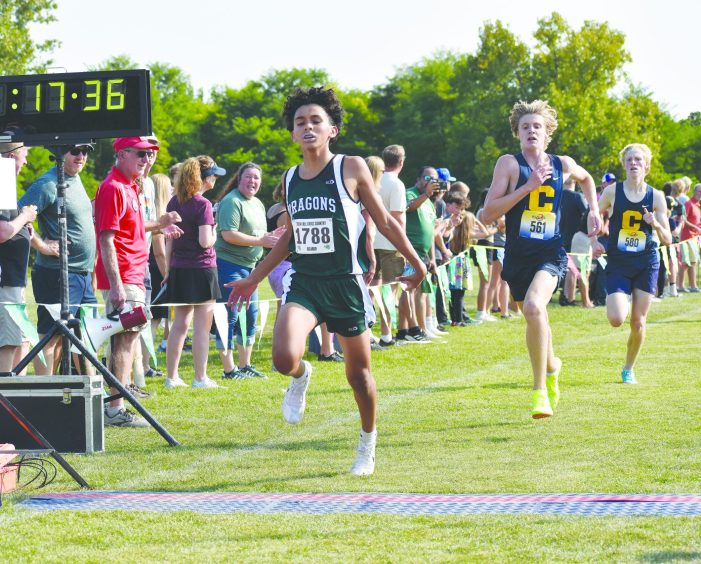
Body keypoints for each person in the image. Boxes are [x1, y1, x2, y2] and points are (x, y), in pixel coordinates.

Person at [227, 86, 426, 476]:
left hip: (346, 283)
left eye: (316, 121)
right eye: (300, 122)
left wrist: (417, 262)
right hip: (305, 282)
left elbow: (385, 220)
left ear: (332, 129)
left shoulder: (350, 167)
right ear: (292, 133)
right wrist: (254, 277)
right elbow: (289, 236)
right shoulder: (289, 179)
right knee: (284, 358)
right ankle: (301, 378)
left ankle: (367, 441)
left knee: (358, 374)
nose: (308, 127)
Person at [482, 100, 600, 418]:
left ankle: (539, 393)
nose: (531, 130)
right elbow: (488, 212)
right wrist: (528, 186)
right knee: (534, 316)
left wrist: (594, 211)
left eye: (537, 126)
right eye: (525, 127)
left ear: (547, 133)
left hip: (550, 253)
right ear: (517, 134)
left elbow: (588, 180)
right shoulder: (509, 164)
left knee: (535, 307)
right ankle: (552, 366)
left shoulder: (562, 164)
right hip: (518, 256)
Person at [94, 136, 182, 427]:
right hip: (125, 275)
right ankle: (114, 410)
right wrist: (117, 285)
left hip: (135, 272)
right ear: (122, 154)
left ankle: (119, 402)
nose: (147, 160)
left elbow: (133, 226)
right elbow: (106, 240)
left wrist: (161, 223)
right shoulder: (113, 188)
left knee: (130, 339)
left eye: (150, 154)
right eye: (141, 154)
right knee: (124, 339)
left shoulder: (130, 186)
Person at [592, 144, 671, 383]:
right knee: (617, 318)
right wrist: (594, 239)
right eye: (629, 160)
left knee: (638, 322)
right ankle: (621, 299)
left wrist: (655, 224)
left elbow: (667, 239)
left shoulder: (656, 196)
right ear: (624, 164)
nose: (634, 163)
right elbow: (594, 213)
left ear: (646, 165)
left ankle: (628, 368)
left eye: (638, 160)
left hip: (647, 262)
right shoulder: (612, 192)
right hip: (618, 261)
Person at [19, 144, 97, 375]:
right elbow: (19, 217)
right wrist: (42, 246)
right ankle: (46, 391)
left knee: (82, 335)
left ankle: (78, 391)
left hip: (81, 274)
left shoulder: (74, 179)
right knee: (51, 337)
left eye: (85, 151)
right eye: (75, 151)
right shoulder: (48, 183)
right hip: (56, 273)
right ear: (60, 152)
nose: (81, 156)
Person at [215, 162, 284, 379]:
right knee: (230, 315)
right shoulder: (231, 201)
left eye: (256, 178)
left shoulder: (257, 204)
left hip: (251, 268)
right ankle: (229, 369)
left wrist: (272, 237)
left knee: (250, 315)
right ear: (239, 178)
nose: (252, 181)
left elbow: (260, 235)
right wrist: (261, 240)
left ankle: (245, 365)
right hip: (228, 265)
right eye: (248, 177)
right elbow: (228, 234)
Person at [163, 156, 222, 389]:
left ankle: (172, 377)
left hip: (179, 268)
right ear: (205, 178)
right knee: (201, 328)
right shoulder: (203, 205)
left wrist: (168, 271)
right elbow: (206, 241)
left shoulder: (173, 202)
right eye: (214, 175)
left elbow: (169, 242)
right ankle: (200, 378)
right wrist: (216, 233)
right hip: (202, 268)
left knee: (179, 326)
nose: (216, 178)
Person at [0, 142, 36, 373]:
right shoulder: (2, 179)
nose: (26, 162)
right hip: (6, 282)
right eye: (24, 155)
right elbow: (3, 232)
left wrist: (24, 228)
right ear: (12, 156)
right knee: (8, 341)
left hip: (12, 280)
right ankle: (6, 405)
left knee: (18, 339)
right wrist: (25, 216)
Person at [373, 144, 411, 347]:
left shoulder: (374, 180)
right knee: (390, 291)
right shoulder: (396, 184)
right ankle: (387, 335)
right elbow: (398, 218)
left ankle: (370, 334)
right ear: (402, 161)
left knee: (372, 290)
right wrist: (403, 244)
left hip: (371, 242)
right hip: (390, 243)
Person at [678, 184, 701, 292]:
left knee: (693, 261)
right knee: (686, 261)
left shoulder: (697, 204)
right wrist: (696, 227)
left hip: (695, 237)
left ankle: (693, 286)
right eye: (699, 191)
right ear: (694, 191)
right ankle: (681, 286)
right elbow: (684, 220)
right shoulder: (689, 203)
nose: (700, 194)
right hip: (687, 236)